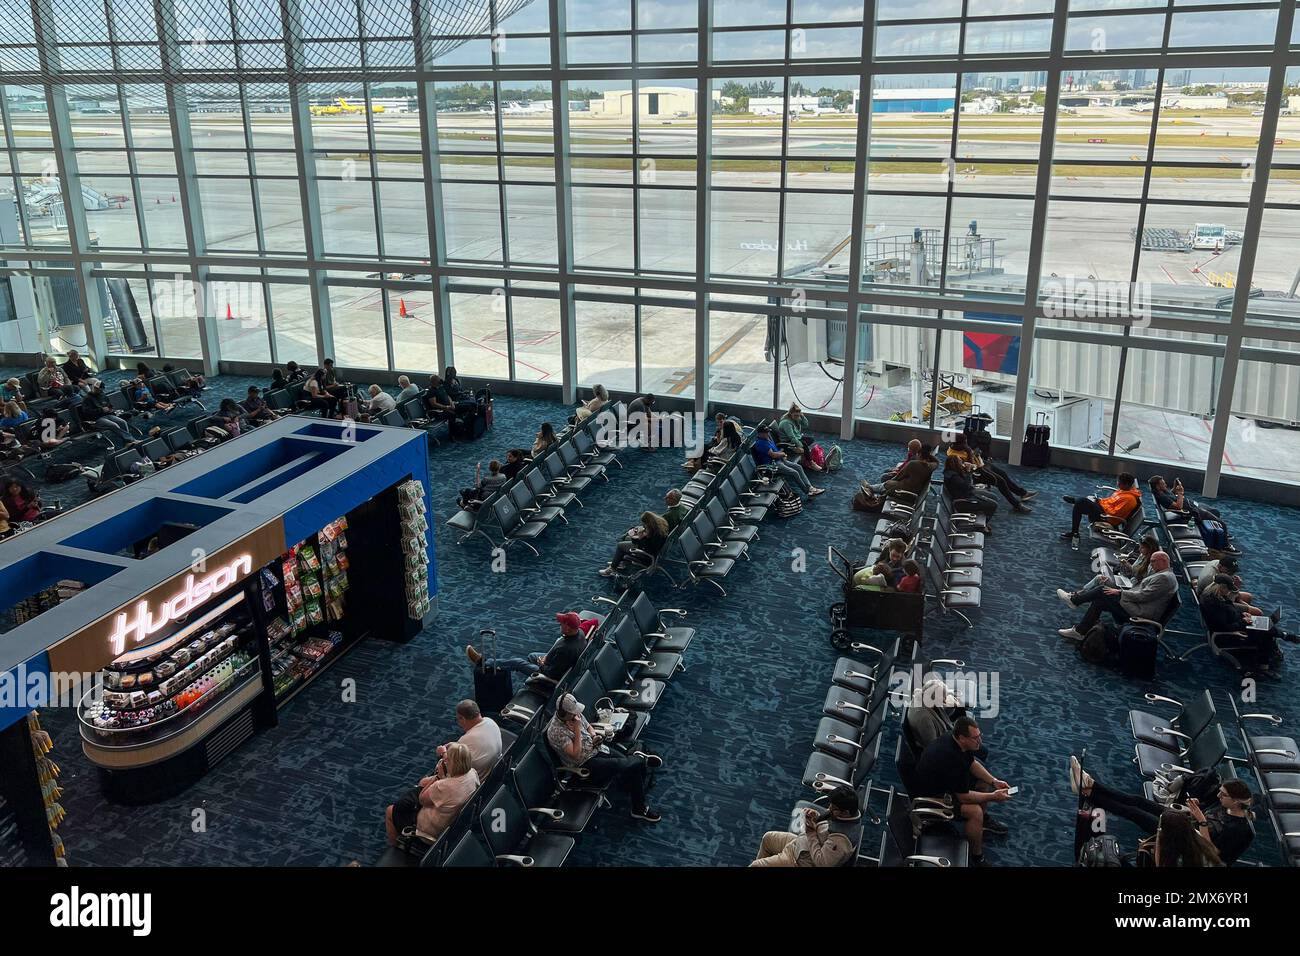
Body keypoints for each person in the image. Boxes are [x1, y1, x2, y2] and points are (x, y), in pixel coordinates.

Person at [1069, 757, 1246, 865]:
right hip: (1186, 824)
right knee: (1139, 801)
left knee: (1135, 813)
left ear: (1236, 801)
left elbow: (1213, 852)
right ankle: (1091, 786)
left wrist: (1202, 821)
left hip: (1187, 841)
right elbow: (1206, 817)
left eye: (1223, 794)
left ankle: (1089, 792)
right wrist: (1197, 811)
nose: (1219, 795)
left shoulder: (1237, 830)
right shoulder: (1225, 806)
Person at [911, 716, 1013, 867]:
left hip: (945, 785)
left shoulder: (957, 742)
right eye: (975, 738)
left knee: (985, 784)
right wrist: (993, 797)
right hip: (933, 796)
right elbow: (964, 797)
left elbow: (972, 763)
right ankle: (977, 857)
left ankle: (982, 822)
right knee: (975, 811)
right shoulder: (951, 758)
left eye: (980, 736)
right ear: (961, 737)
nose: (980, 741)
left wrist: (994, 781)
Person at [545, 692, 662, 823]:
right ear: (564, 713)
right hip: (585, 764)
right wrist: (577, 729)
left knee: (632, 766)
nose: (577, 715)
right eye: (573, 713)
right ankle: (640, 764)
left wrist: (594, 735)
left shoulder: (574, 714)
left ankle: (636, 793)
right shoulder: (555, 731)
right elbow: (576, 754)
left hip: (597, 748)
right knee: (633, 764)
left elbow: (588, 726)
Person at [1057, 551, 1178, 641]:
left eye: (1153, 561)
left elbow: (1143, 596)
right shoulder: (1164, 574)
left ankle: (1074, 600)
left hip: (1140, 615)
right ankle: (1080, 632)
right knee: (1101, 599)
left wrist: (1120, 592)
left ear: (1164, 561)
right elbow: (1142, 591)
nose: (1151, 564)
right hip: (1136, 605)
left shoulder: (1164, 578)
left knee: (1102, 591)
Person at [384, 742, 480, 846]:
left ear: (453, 763)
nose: (444, 761)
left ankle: (396, 849)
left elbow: (422, 799)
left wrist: (437, 777)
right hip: (454, 824)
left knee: (390, 811)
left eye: (447, 760)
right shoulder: (472, 774)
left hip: (429, 831)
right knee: (423, 783)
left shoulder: (443, 786)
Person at [1199, 575, 1296, 674]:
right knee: (1265, 632)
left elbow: (1229, 613)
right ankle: (1283, 638)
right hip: (1226, 636)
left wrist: (1242, 615)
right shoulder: (1215, 604)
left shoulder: (1216, 598)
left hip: (1235, 625)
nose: (1229, 592)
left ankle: (1282, 639)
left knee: (1263, 624)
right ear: (1222, 587)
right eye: (1229, 589)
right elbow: (1224, 627)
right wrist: (1243, 622)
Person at [466, 611, 597, 681]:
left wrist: (542, 664)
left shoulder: (565, 649)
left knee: (517, 663)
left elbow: (552, 673)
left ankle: (484, 663)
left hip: (550, 676)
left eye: (562, 623)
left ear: (568, 628)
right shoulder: (579, 633)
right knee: (531, 656)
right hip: (555, 662)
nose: (560, 625)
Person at [750, 785, 861, 867]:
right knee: (768, 838)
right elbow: (826, 825)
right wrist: (816, 816)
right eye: (830, 805)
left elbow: (821, 862)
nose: (829, 809)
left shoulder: (840, 840)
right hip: (800, 844)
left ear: (846, 812)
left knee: (755, 865)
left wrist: (811, 832)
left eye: (834, 808)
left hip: (800, 861)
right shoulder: (847, 814)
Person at [1056, 534, 1159, 609]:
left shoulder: (1152, 563)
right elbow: (1133, 571)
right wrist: (1127, 565)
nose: (1140, 550)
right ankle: (1075, 597)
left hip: (1130, 588)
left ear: (1149, 548)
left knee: (1099, 580)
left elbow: (1142, 582)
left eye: (1142, 548)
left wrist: (1130, 571)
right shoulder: (1143, 556)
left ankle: (1074, 599)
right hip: (1128, 580)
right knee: (1101, 578)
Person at [946, 432, 1034, 512]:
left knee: (1002, 473)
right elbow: (969, 467)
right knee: (1001, 481)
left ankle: (1022, 493)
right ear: (961, 442)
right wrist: (970, 453)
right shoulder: (955, 455)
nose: (966, 443)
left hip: (981, 465)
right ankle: (1016, 504)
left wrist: (974, 454)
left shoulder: (960, 447)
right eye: (965, 441)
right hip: (976, 473)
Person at [1060, 472, 1142, 540]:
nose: (1117, 484)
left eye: (1119, 483)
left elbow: (1114, 514)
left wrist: (1100, 504)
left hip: (1107, 517)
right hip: (1103, 509)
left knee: (1081, 501)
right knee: (1079, 506)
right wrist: (1099, 501)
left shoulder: (1129, 500)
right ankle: (1074, 532)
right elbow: (1110, 501)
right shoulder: (1124, 491)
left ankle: (1075, 502)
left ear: (1127, 485)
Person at [752, 424, 824, 497]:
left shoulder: (767, 439)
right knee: (794, 472)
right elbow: (773, 455)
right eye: (765, 433)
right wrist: (783, 454)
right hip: (773, 465)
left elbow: (775, 451)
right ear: (760, 434)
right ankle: (808, 491)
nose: (768, 434)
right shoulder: (761, 443)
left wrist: (782, 455)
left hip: (780, 460)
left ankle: (810, 487)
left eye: (768, 432)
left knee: (798, 467)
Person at [435, 700, 502, 779]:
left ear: (462, 719)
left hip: (476, 780)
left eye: (458, 719)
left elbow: (449, 767)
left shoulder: (466, 740)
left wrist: (443, 753)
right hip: (494, 769)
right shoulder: (490, 721)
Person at [859, 443, 938, 506]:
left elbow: (899, 476)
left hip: (906, 490)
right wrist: (927, 454)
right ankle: (871, 488)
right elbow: (937, 462)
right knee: (888, 483)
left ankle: (870, 488)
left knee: (888, 482)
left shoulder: (913, 464)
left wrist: (890, 481)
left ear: (919, 454)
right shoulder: (931, 466)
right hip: (916, 489)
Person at [600, 510, 670, 576]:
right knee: (627, 538)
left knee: (620, 545)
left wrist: (640, 537)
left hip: (648, 555)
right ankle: (620, 562)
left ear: (649, 523)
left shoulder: (655, 534)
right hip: (655, 550)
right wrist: (642, 535)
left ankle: (612, 569)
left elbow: (647, 548)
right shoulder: (660, 525)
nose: (644, 526)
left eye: (645, 524)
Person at [942, 451, 998, 526]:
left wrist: (967, 471)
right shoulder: (953, 477)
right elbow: (967, 485)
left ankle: (983, 520)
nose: (962, 463)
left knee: (994, 497)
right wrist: (968, 471)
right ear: (955, 464)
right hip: (964, 500)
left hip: (967, 493)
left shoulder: (952, 472)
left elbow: (965, 484)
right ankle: (982, 525)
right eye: (960, 461)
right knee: (993, 505)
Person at [776, 403, 821, 472]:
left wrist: (802, 416)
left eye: (798, 415)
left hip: (797, 437)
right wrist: (800, 445)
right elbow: (792, 437)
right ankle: (811, 463)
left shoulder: (795, 418)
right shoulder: (786, 423)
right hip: (788, 442)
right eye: (795, 415)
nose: (797, 417)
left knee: (811, 440)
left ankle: (801, 452)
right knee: (804, 444)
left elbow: (806, 424)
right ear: (791, 414)